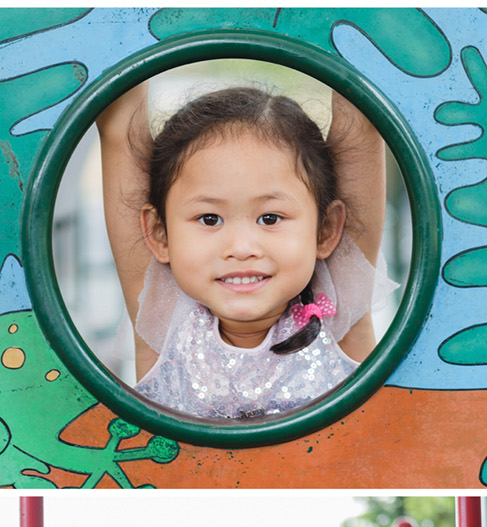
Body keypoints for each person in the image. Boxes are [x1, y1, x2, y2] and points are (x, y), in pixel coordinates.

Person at [96, 82, 391, 420]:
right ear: (160, 235)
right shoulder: (164, 318)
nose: (240, 248)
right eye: (209, 219)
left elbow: (361, 119)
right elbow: (120, 125)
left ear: (325, 230)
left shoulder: (340, 312)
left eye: (270, 218)